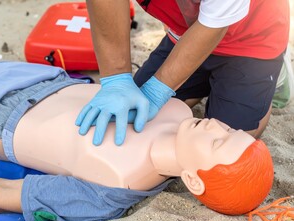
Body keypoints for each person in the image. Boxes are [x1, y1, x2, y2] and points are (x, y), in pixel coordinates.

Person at [0, 60, 273, 221]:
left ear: (194, 182)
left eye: (217, 142)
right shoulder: (178, 110)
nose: (215, 125)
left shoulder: (111, 190)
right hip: (37, 76)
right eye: (228, 129)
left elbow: (7, 193)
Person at [76, 0, 290, 146]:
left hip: (253, 39)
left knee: (225, 142)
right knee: (133, 120)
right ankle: (202, 83)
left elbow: (213, 25)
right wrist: (116, 79)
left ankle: (271, 78)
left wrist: (156, 91)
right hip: (186, 33)